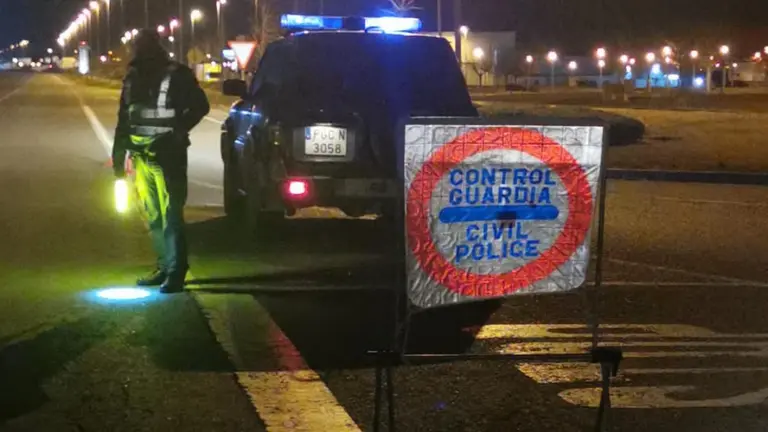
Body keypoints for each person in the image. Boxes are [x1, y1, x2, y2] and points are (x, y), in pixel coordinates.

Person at [112, 29, 210, 293]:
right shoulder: (132, 78)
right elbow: (125, 118)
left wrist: (179, 130)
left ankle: (177, 272)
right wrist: (119, 155)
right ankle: (165, 266)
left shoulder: (176, 74)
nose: (136, 51)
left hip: (168, 155)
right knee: (154, 214)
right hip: (141, 155)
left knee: (171, 214)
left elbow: (201, 106)